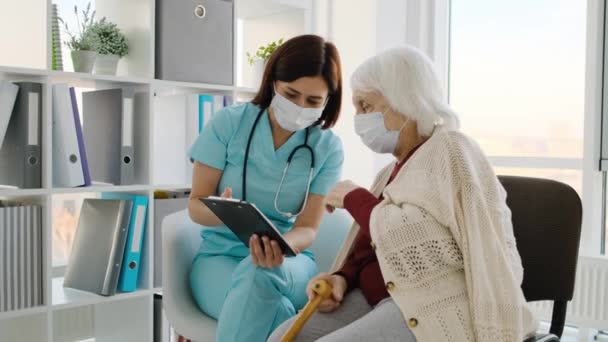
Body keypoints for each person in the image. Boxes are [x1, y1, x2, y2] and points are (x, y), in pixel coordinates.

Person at [269, 46, 537, 342]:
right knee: (283, 337)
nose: (359, 118)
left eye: (366, 106)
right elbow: (371, 246)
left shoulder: (451, 149)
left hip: (428, 301)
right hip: (373, 296)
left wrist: (353, 198)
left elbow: (421, 237)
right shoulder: (391, 172)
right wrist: (342, 277)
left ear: (403, 101)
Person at [187, 34, 344, 342]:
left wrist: (281, 246)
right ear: (273, 82)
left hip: (290, 264)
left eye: (313, 101)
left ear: (329, 101)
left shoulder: (328, 148)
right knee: (273, 306)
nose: (300, 106)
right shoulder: (229, 124)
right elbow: (195, 205)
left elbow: (309, 228)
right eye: (291, 94)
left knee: (262, 270)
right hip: (220, 260)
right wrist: (224, 212)